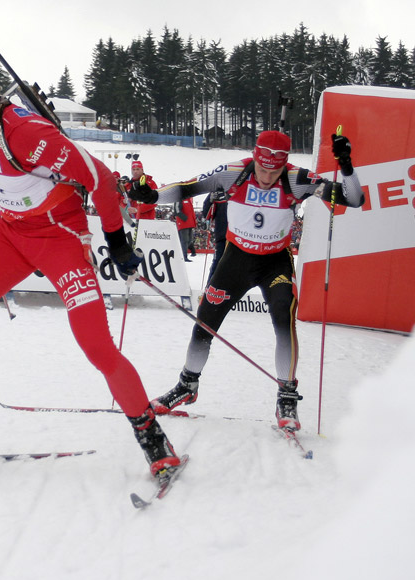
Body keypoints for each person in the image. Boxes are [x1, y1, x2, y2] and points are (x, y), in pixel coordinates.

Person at [0, 53, 182, 479]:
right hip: (11, 233)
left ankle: (152, 436)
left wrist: (117, 242)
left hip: (59, 236)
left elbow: (100, 178)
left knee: (95, 345)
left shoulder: (26, 132)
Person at [128, 129, 364, 431]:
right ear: (255, 158)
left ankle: (287, 395)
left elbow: (354, 199)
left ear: (284, 164)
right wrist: (153, 195)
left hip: (274, 262)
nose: (267, 176)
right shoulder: (234, 173)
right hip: (236, 259)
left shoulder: (296, 178)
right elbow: (188, 188)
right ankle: (187, 384)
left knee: (283, 318)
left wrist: (345, 165)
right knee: (204, 322)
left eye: (274, 170)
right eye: (263, 168)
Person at [200, 188, 229, 283]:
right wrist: (210, 201)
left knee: (238, 267)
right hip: (222, 236)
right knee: (217, 266)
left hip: (240, 238)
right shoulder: (218, 190)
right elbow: (206, 213)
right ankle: (208, 291)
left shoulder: (243, 187)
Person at [175, 197, 197, 261]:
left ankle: (183, 255)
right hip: (183, 223)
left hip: (189, 223)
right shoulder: (179, 198)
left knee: (189, 240)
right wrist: (184, 218)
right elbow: (176, 210)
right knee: (185, 241)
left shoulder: (188, 199)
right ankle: (183, 257)